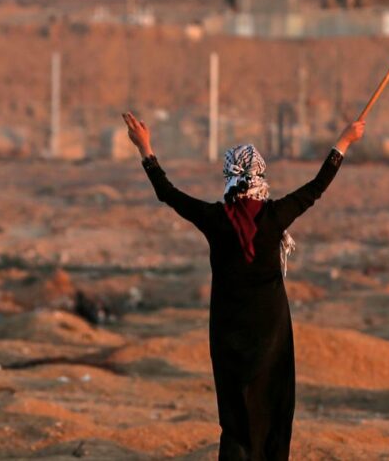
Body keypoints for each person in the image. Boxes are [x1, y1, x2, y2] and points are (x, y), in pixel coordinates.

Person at [121, 112, 365, 460]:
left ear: (228, 177)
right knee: (274, 405)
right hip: (272, 330)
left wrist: (145, 148)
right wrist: (344, 141)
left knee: (235, 416)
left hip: (227, 332)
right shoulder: (276, 215)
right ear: (261, 175)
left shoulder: (214, 220)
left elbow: (167, 193)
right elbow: (316, 188)